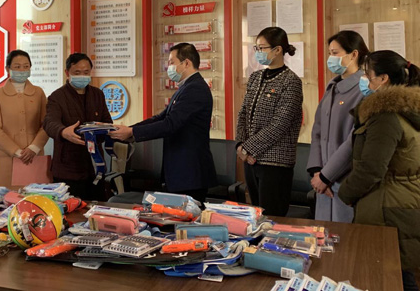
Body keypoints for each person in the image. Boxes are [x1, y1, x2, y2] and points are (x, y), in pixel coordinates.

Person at [339, 51, 420, 291]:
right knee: (399, 273)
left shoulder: (385, 116)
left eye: (368, 74)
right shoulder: (407, 110)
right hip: (402, 201)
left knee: (389, 275)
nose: (364, 79)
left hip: (386, 206)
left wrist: (346, 193)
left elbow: (372, 168)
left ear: (383, 79)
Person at [110, 43, 216, 203]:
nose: (169, 67)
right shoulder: (186, 87)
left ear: (186, 63)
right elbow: (161, 118)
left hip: (190, 172)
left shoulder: (195, 89)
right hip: (180, 172)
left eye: (172, 62)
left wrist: (132, 133)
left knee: (186, 218)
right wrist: (130, 130)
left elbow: (170, 124)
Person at [235, 27, 303, 217]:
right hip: (250, 161)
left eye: (262, 48)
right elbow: (243, 113)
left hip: (275, 163)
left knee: (272, 218)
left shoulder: (291, 81)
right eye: (256, 48)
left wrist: (248, 148)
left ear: (277, 50)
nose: (258, 52)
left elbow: (280, 123)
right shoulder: (255, 77)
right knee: (256, 216)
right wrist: (240, 145)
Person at [307, 31, 369, 222]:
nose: (331, 58)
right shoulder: (332, 87)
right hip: (322, 181)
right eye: (330, 53)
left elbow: (354, 139)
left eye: (335, 53)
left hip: (344, 179)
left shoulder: (364, 89)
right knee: (323, 234)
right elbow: (317, 131)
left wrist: (326, 176)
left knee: (345, 235)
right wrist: (317, 171)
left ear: (354, 54)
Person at [43, 53, 112, 201]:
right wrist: (63, 132)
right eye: (77, 72)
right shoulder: (57, 97)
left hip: (95, 167)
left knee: (98, 209)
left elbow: (107, 122)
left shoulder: (97, 94)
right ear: (67, 72)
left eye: (86, 72)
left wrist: (104, 129)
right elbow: (49, 123)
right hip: (68, 170)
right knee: (71, 211)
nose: (82, 76)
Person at [0, 50, 48, 189]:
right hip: (7, 156)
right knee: (7, 197)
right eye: (17, 66)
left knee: (35, 196)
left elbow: (46, 124)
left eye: (26, 66)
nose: (22, 70)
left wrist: (33, 148)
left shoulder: (38, 93)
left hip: (34, 155)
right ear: (7, 68)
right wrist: (16, 151)